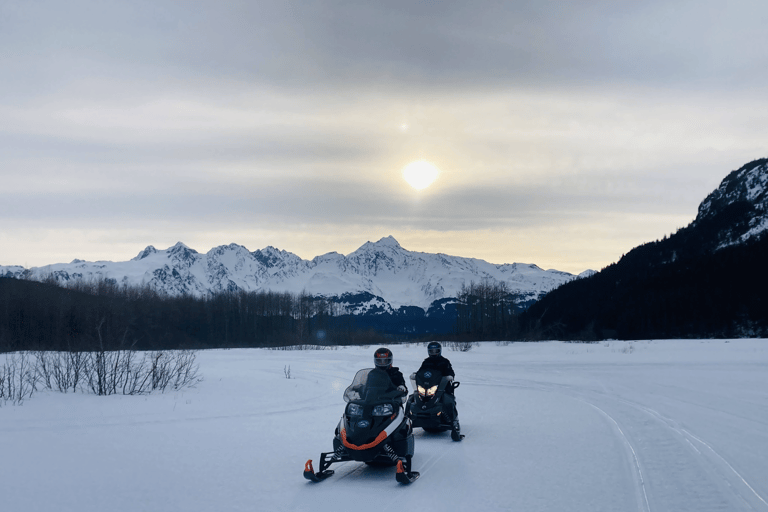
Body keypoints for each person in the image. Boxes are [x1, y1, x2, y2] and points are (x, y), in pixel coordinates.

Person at [416, 342, 462, 441]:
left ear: (439, 351)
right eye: (431, 351)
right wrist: (416, 376)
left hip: (442, 387)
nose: (433, 353)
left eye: (435, 351)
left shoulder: (444, 362)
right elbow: (421, 372)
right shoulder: (426, 362)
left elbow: (450, 372)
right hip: (428, 387)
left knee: (447, 400)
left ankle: (453, 420)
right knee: (416, 397)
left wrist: (450, 376)